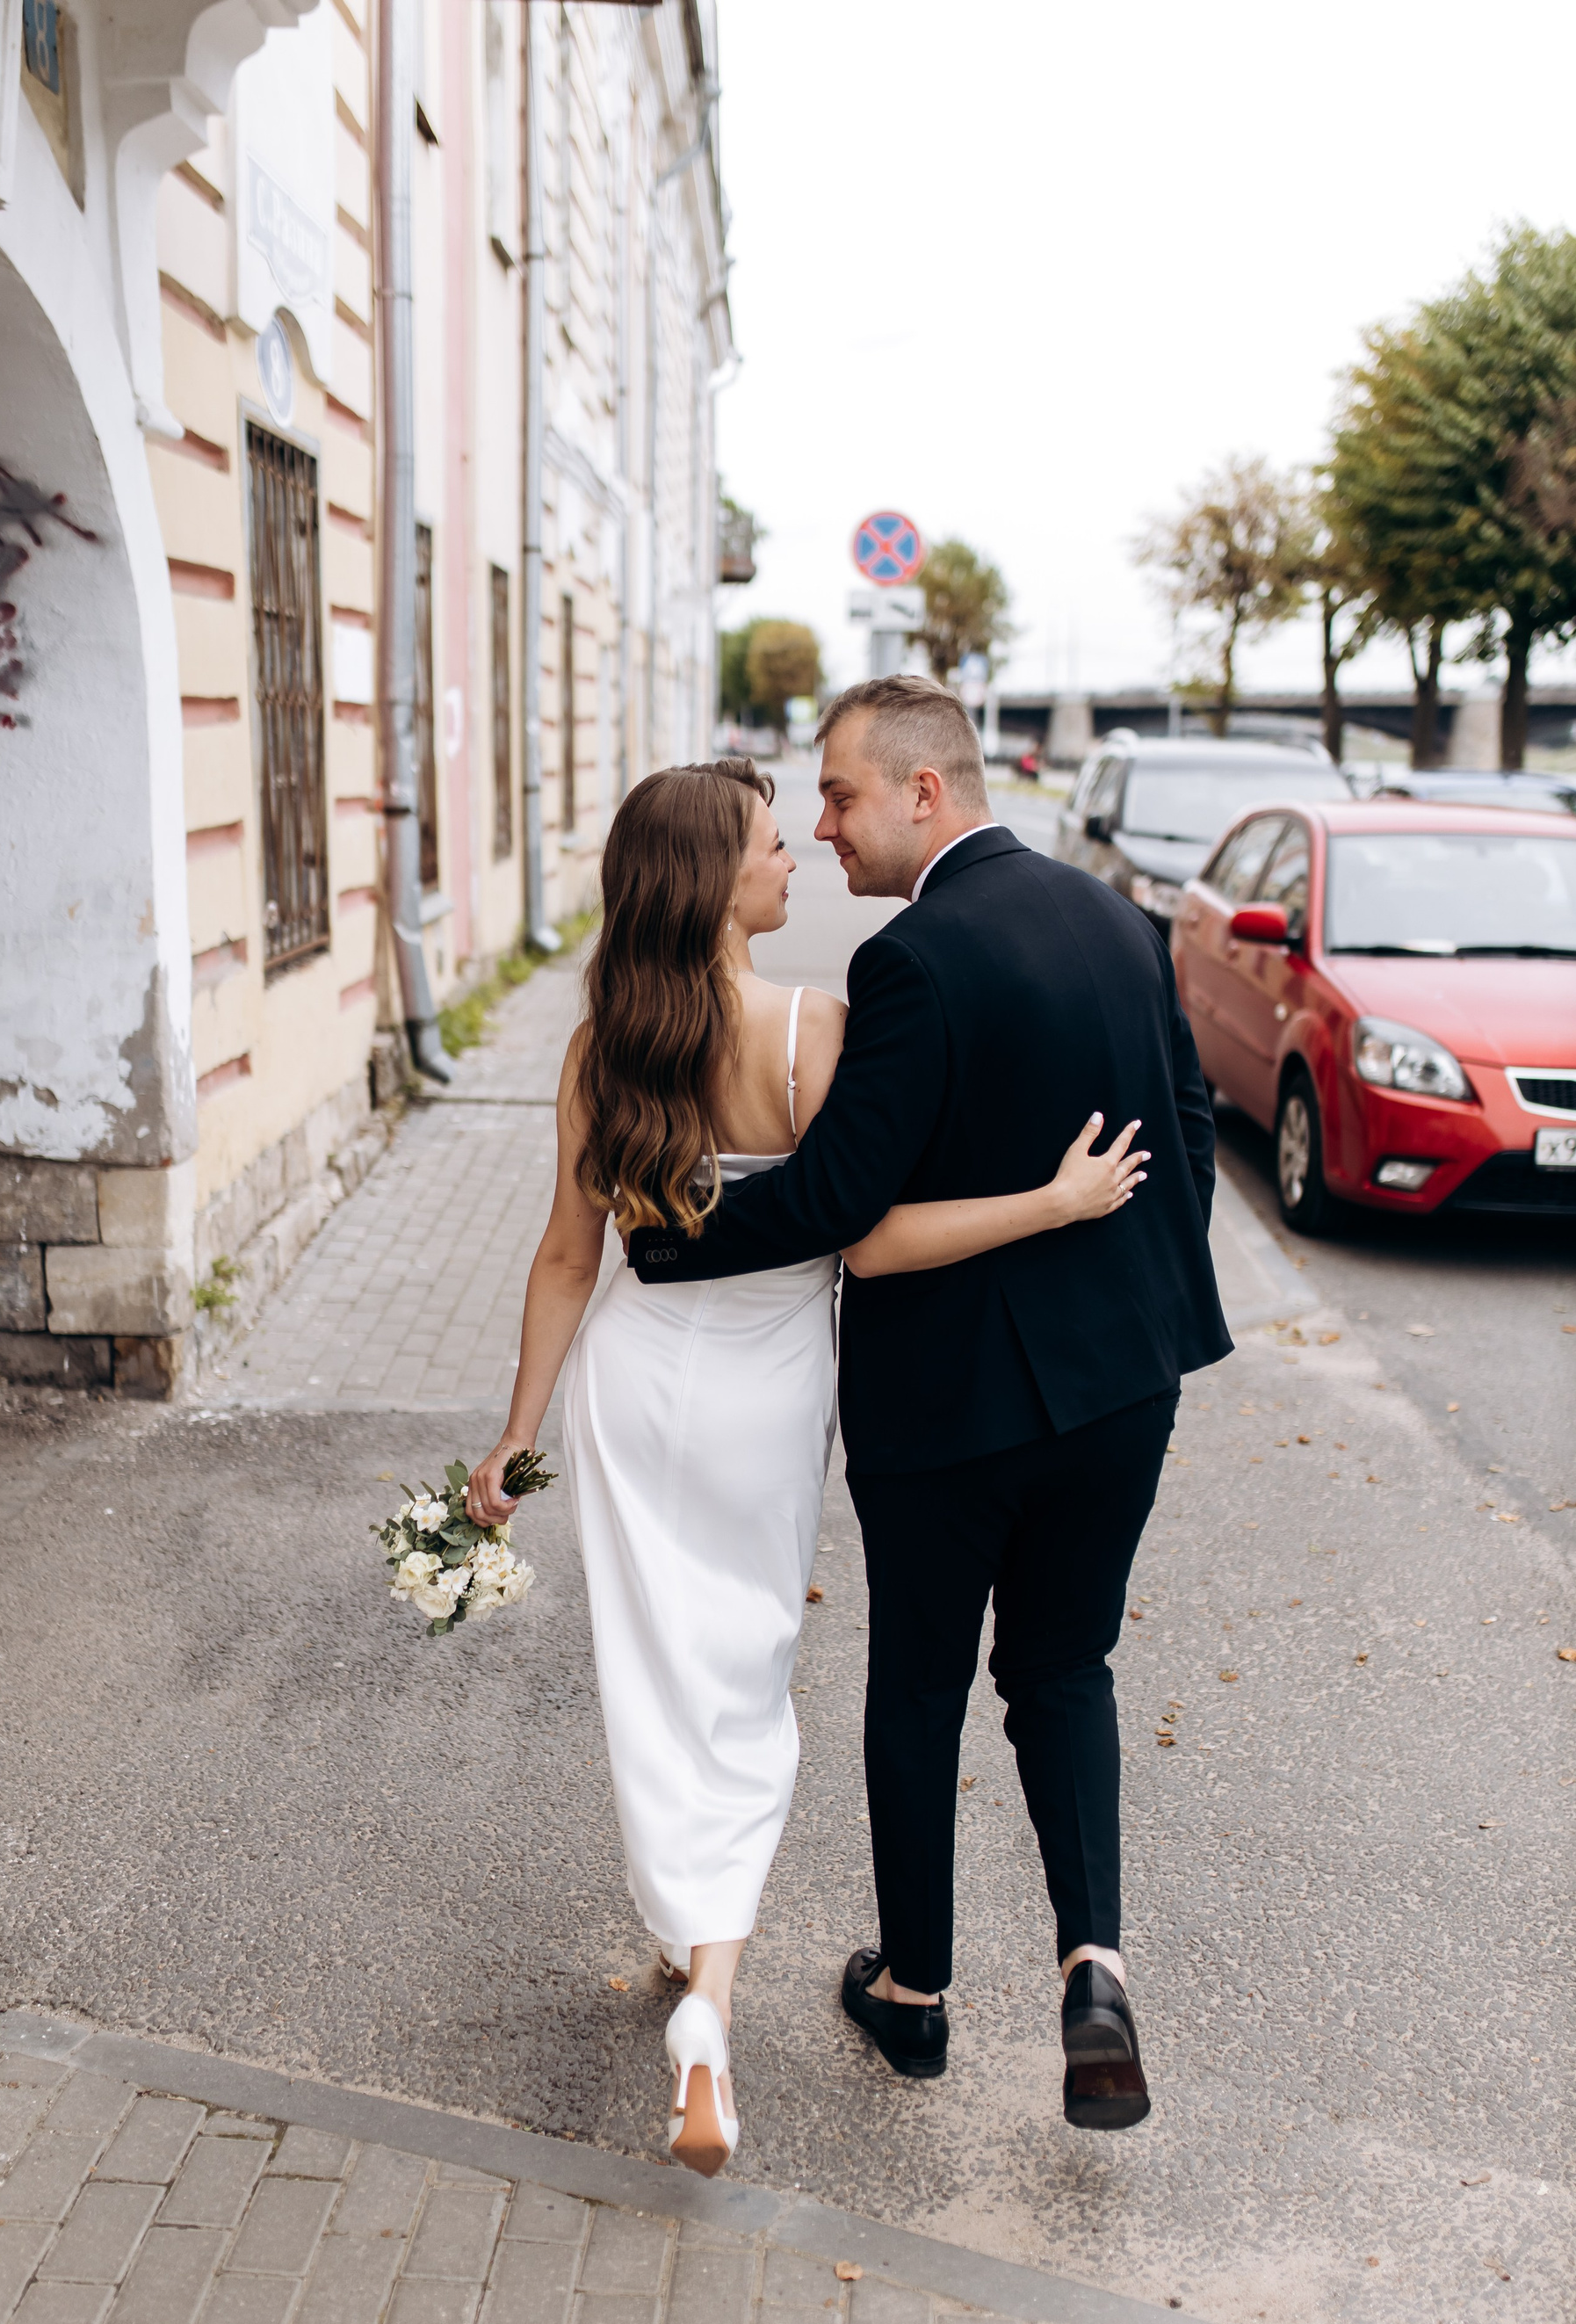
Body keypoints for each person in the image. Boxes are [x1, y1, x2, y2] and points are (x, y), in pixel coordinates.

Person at [466, 757, 1148, 2172]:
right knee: (745, 1684)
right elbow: (870, 1237)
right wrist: (1056, 1201)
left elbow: (565, 1258)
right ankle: (708, 1995)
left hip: (630, 1384)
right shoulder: (809, 1032)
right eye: (773, 846)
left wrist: (517, 1434)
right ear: (716, 885)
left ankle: (686, 1950)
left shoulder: (599, 1047)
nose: (795, 860)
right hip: (767, 1396)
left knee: (657, 1675)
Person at [627, 680, 1232, 2131]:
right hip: (1123, 1387)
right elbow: (1193, 1127)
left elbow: (837, 1197)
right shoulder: (1120, 923)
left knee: (917, 1686)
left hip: (948, 1406)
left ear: (925, 792)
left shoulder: (913, 959)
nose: (824, 824)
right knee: (1066, 1670)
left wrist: (662, 1242)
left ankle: (913, 1997)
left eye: (840, 795)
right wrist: (1140, 1305)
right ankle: (1094, 1971)